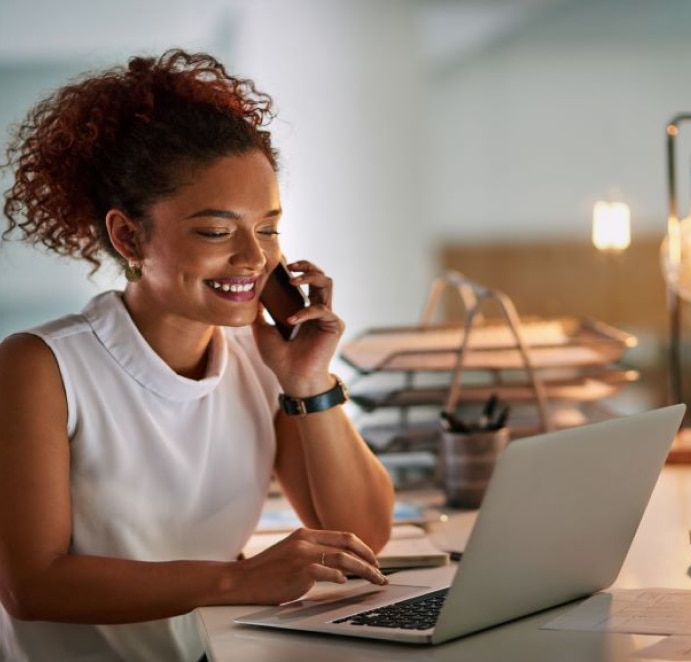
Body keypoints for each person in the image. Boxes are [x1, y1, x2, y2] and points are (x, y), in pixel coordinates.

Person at [0, 49, 395, 662]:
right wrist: (240, 580)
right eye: (216, 231)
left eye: (267, 228)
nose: (254, 258)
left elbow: (362, 536)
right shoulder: (40, 367)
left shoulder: (262, 362)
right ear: (129, 236)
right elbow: (32, 585)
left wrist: (310, 381)